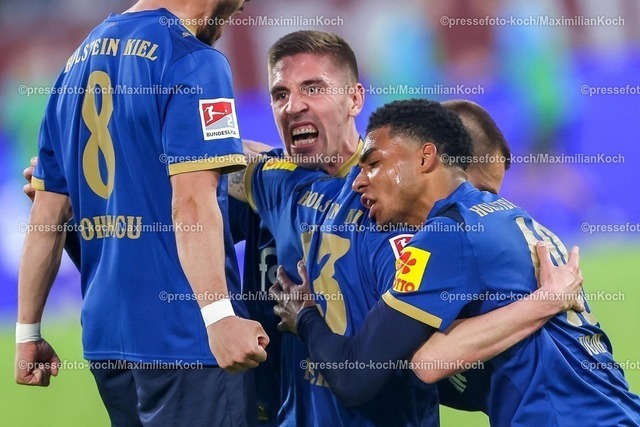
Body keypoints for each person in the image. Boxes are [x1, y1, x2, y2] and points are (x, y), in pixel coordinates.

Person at [273, 99, 640, 425]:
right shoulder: (516, 219)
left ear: (426, 157)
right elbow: (444, 368)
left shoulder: (448, 232)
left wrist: (304, 317)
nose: (358, 182)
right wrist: (543, 303)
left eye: (374, 164)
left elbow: (358, 375)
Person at [15, 1, 269, 426]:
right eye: (236, 6)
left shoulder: (75, 65)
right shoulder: (192, 60)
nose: (235, 13)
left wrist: (28, 332)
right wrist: (220, 317)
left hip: (108, 343)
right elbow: (192, 201)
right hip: (186, 338)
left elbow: (47, 216)